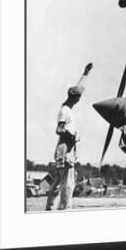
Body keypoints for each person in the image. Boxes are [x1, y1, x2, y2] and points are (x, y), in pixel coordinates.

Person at [46, 63, 93, 210]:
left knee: (60, 181)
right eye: (78, 97)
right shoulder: (65, 111)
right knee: (68, 183)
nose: (79, 99)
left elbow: (78, 89)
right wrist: (71, 137)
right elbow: (59, 129)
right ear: (75, 98)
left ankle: (51, 208)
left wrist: (85, 74)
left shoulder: (66, 108)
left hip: (66, 148)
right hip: (65, 148)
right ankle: (65, 209)